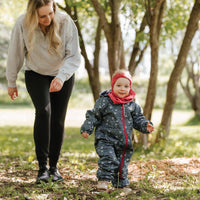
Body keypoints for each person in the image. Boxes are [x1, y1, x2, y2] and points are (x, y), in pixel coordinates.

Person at [6, 0, 81, 184]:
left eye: (50, 13)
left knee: (57, 119)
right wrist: (11, 81)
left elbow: (74, 55)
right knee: (44, 111)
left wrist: (61, 77)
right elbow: (15, 52)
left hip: (62, 74)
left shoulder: (65, 22)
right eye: (42, 16)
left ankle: (54, 168)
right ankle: (42, 169)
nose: (48, 18)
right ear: (33, 15)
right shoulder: (22, 23)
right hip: (36, 73)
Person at [81, 69, 154, 191]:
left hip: (124, 142)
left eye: (126, 86)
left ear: (130, 87)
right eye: (118, 85)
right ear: (112, 85)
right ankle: (103, 181)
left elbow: (138, 119)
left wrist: (145, 125)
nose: (122, 89)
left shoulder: (132, 105)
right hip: (105, 139)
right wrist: (87, 128)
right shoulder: (105, 101)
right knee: (108, 158)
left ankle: (120, 185)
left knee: (122, 164)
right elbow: (93, 115)